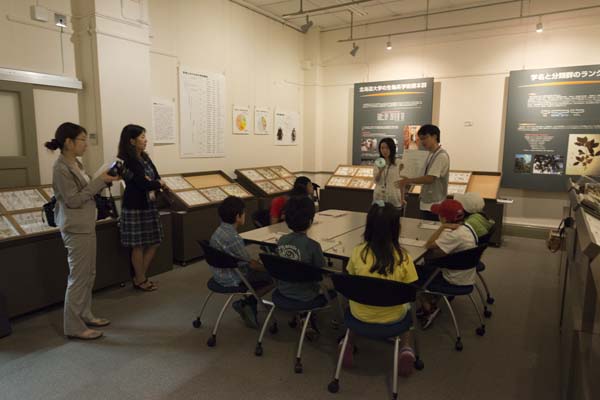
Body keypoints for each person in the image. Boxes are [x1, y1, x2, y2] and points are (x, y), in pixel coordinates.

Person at [46, 122, 119, 340]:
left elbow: (84, 192)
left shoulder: (76, 163)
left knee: (89, 273)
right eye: (82, 140)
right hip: (75, 227)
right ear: (68, 142)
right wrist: (98, 182)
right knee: (78, 277)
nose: (86, 144)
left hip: (85, 224)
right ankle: (74, 326)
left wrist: (102, 181)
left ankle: (85, 313)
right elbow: (73, 200)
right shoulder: (60, 168)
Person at [343, 201, 419, 376]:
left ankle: (348, 343)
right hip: (393, 317)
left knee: (357, 298)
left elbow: (350, 280)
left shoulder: (357, 252)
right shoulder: (404, 257)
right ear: (396, 228)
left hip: (359, 314)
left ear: (368, 226)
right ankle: (406, 348)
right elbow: (411, 290)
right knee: (407, 307)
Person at [210, 196, 273, 328]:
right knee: (277, 276)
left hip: (219, 274)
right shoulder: (233, 238)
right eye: (244, 213)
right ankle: (249, 302)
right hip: (234, 278)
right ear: (238, 216)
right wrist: (272, 269)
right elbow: (251, 264)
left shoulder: (219, 231)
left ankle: (249, 302)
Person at [118, 124, 165, 292]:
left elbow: (156, 177)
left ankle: (139, 277)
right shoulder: (128, 161)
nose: (146, 140)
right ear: (132, 141)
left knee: (155, 242)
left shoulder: (144, 157)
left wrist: (154, 182)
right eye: (142, 137)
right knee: (137, 245)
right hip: (135, 207)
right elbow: (143, 183)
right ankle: (141, 279)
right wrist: (154, 183)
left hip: (149, 204)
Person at [418, 199, 478, 328]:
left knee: (413, 273)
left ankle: (429, 309)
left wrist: (442, 227)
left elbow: (428, 245)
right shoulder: (467, 227)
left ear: (444, 218)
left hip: (454, 278)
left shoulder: (453, 235)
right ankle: (433, 299)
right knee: (428, 262)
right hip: (466, 273)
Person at [276, 196, 327, 339]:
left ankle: (302, 316)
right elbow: (321, 272)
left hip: (283, 289)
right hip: (306, 295)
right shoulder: (313, 246)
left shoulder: (281, 241)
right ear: (311, 221)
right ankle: (307, 315)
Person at [395, 124, 449, 221]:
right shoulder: (430, 154)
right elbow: (420, 174)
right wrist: (405, 170)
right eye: (421, 139)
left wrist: (407, 181)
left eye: (425, 138)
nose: (423, 141)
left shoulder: (441, 156)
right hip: (426, 202)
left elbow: (430, 179)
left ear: (435, 136)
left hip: (434, 204)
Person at [373, 137, 405, 209]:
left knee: (393, 219)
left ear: (392, 148)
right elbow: (376, 180)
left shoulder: (399, 162)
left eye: (387, 148)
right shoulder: (378, 162)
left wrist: (402, 198)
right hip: (379, 196)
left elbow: (402, 183)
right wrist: (380, 171)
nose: (384, 150)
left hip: (394, 197)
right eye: (382, 148)